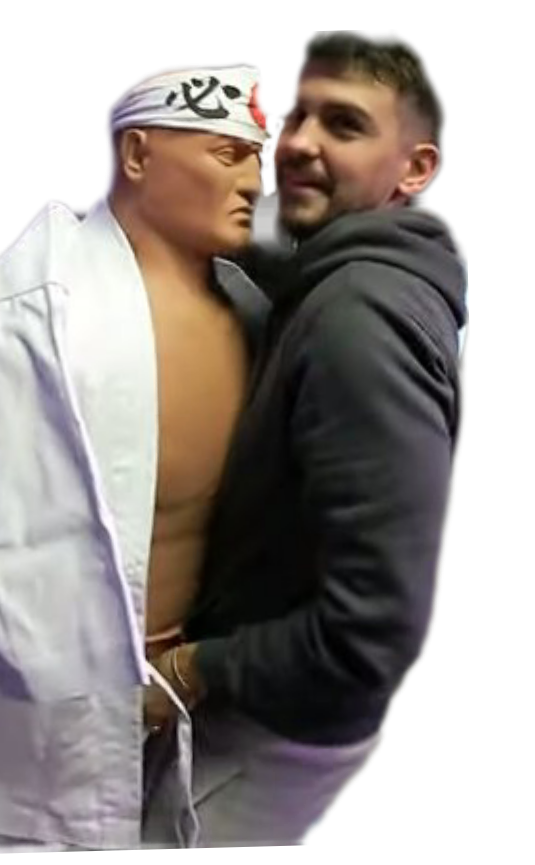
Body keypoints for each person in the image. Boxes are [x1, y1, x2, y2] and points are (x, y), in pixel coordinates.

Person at [0, 65, 272, 853]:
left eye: (258, 160)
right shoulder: (27, 316)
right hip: (55, 722)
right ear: (137, 154)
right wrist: (100, 695)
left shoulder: (252, 311)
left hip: (202, 717)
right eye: (227, 154)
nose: (254, 182)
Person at [140, 32, 469, 848]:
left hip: (268, 735)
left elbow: (376, 633)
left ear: (415, 169)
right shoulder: (325, 276)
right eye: (295, 115)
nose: (297, 145)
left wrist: (193, 669)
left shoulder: (359, 320)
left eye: (344, 125)